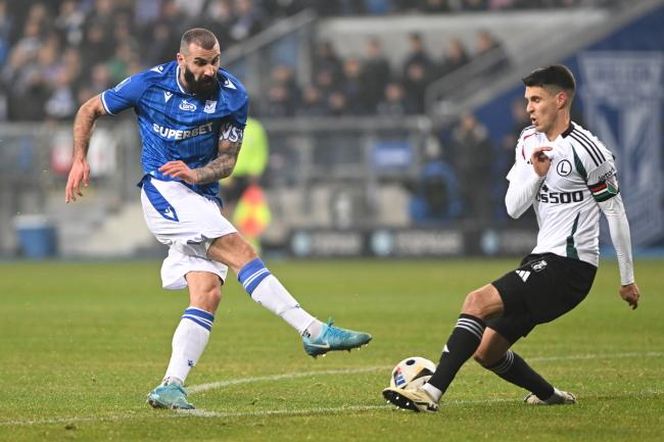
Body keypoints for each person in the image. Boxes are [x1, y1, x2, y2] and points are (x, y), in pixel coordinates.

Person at [64, 27, 372, 410]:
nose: (210, 71)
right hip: (163, 190)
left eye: (215, 62)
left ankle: (170, 384)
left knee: (208, 293)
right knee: (242, 250)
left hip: (202, 198)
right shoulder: (148, 85)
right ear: (182, 60)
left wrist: (197, 174)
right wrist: (80, 157)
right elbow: (89, 109)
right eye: (200, 63)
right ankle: (311, 329)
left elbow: (228, 161)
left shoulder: (232, 95)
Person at [383, 64, 640, 412]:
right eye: (527, 100)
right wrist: (536, 176)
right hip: (541, 260)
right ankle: (550, 396)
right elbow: (512, 208)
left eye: (536, 99)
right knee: (486, 352)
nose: (529, 107)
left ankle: (429, 394)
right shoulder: (528, 141)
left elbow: (615, 212)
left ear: (560, 100)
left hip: (571, 267)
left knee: (476, 302)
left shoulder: (589, 152)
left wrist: (627, 279)